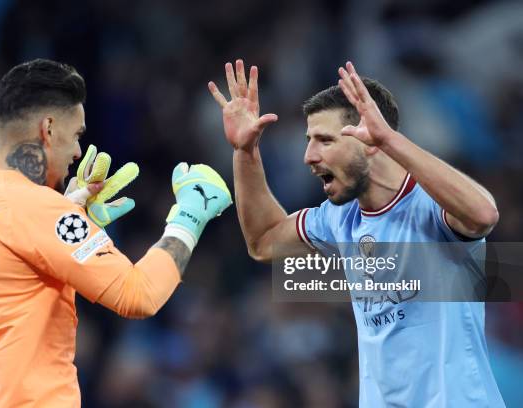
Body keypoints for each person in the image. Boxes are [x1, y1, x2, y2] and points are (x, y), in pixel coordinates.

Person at [0, 58, 232, 407]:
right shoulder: (39, 210)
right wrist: (188, 217)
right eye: (76, 135)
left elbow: (9, 283)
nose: (77, 151)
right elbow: (139, 294)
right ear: (48, 128)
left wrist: (70, 221)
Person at [208, 59, 505, 407]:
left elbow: (483, 215)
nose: (308, 155)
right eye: (309, 140)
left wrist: (391, 140)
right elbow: (264, 241)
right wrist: (245, 152)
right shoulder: (339, 218)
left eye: (324, 140)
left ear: (369, 138)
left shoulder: (431, 204)